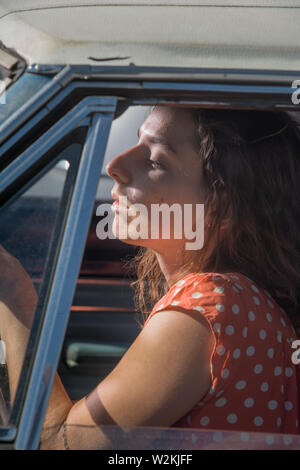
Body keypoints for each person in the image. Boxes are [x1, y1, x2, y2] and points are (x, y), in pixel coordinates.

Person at [0, 106, 299, 449]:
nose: (115, 166)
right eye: (136, 142)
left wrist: (12, 285)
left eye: (155, 160)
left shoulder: (212, 305)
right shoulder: (241, 304)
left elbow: (56, 444)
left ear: (221, 206)